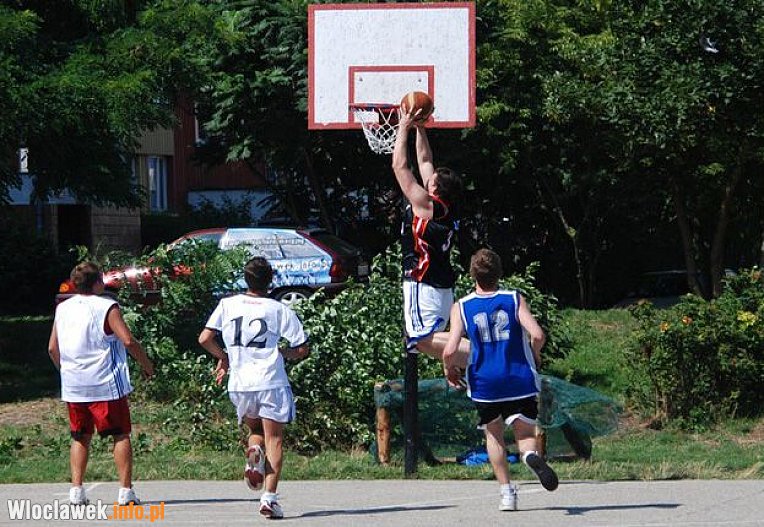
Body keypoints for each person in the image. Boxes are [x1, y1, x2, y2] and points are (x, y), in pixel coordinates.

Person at [442, 249, 559, 511]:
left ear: (472, 274)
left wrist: (449, 368)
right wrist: (535, 354)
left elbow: (449, 351)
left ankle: (507, 494)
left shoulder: (461, 306)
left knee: (494, 435)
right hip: (518, 377)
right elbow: (538, 335)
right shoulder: (514, 299)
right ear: (499, 273)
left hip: (485, 382)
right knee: (525, 434)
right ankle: (530, 456)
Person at [198, 257, 309, 520]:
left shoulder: (227, 305)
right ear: (270, 281)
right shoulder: (278, 309)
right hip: (271, 381)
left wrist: (224, 356)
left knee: (255, 431)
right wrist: (283, 353)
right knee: (275, 439)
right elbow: (301, 348)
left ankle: (254, 453)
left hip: (241, 383)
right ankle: (269, 498)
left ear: (245, 279)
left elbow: (204, 338)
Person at [48, 262, 154, 507]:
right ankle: (125, 491)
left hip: (74, 384)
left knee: (80, 436)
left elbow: (53, 348)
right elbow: (128, 340)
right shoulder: (107, 306)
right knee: (120, 434)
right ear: (98, 283)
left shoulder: (63, 308)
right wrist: (147, 364)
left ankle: (76, 490)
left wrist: (65, 371)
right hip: (105, 383)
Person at [392, 104, 469, 365]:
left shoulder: (427, 206)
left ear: (435, 189)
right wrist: (421, 128)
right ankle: (477, 363)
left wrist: (403, 127)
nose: (428, 178)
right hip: (441, 285)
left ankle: (490, 351)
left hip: (422, 281)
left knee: (419, 339)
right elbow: (425, 161)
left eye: (432, 180)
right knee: (432, 341)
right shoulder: (447, 206)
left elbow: (400, 167)